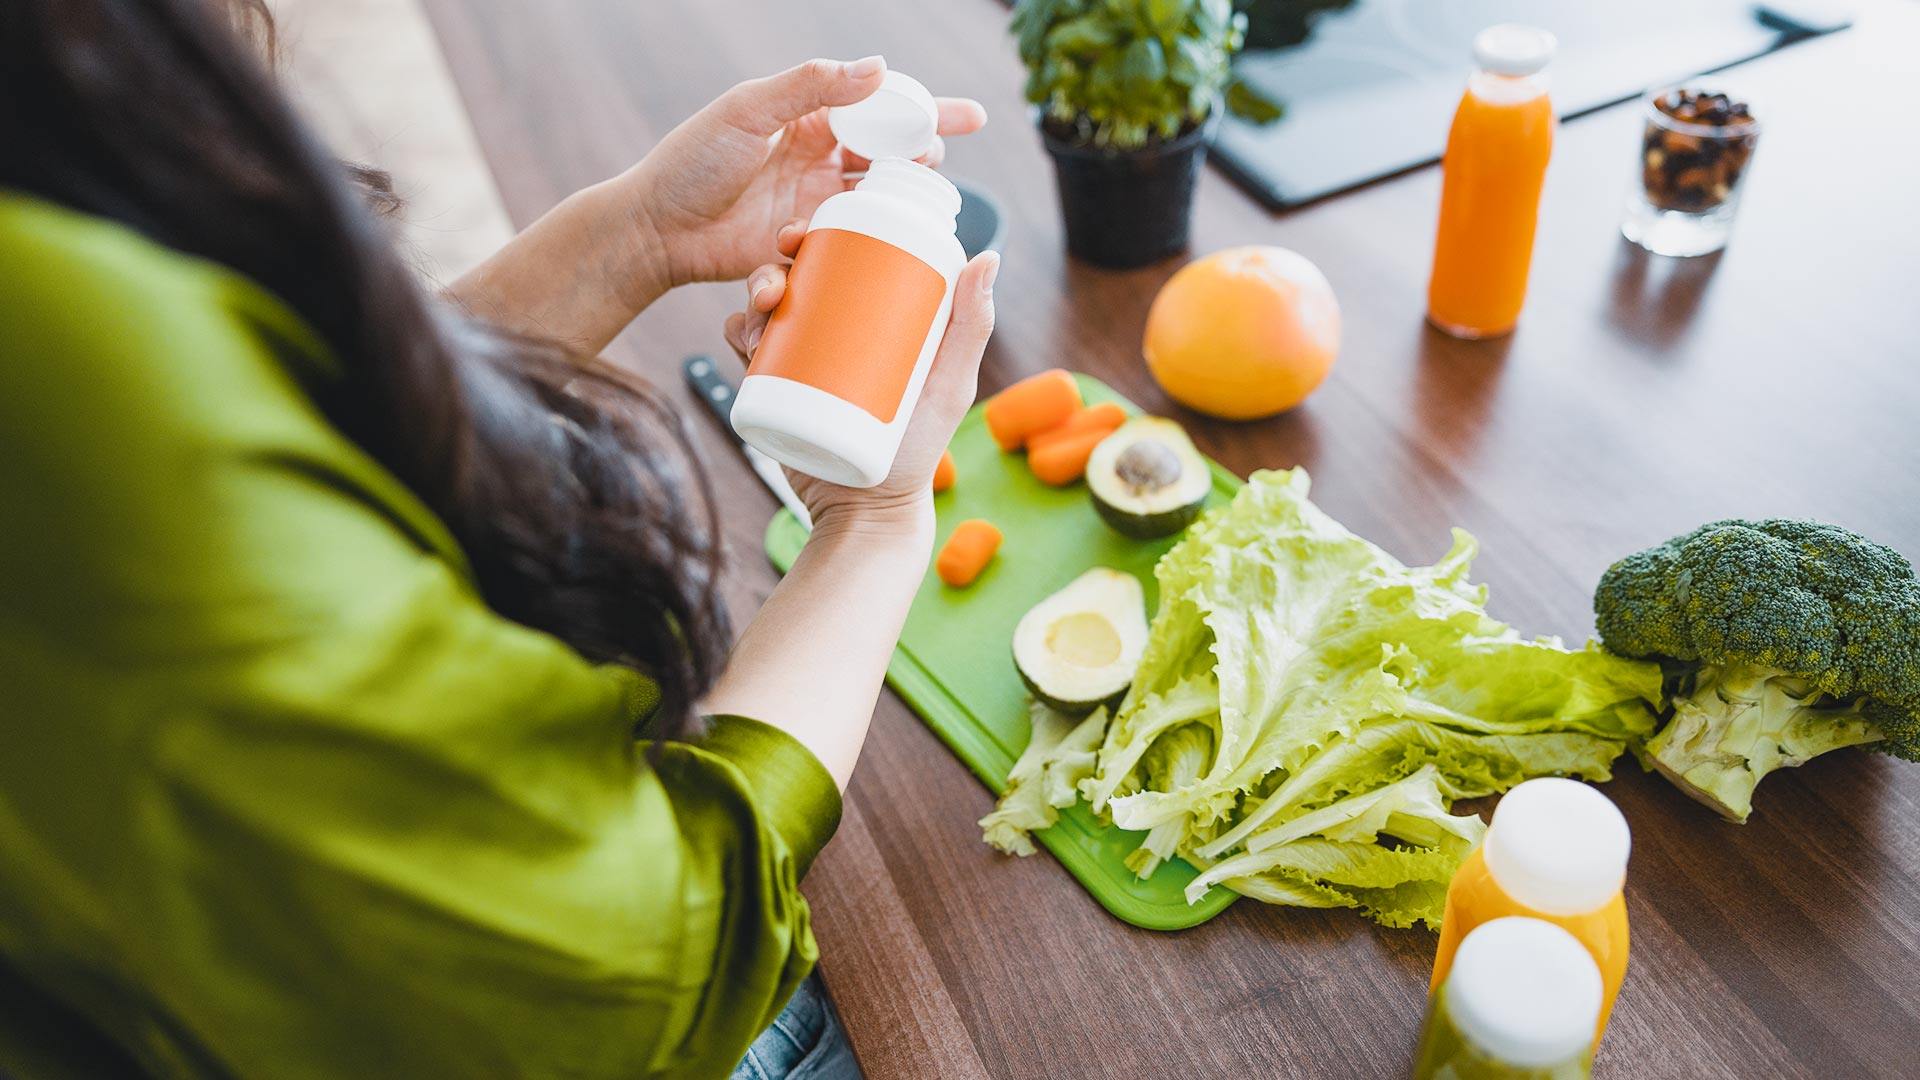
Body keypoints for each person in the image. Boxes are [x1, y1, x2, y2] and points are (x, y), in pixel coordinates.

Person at [0, 1, 996, 1077]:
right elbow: (650, 971)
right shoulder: (61, 360)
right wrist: (874, 525)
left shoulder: (62, 228)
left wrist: (642, 234)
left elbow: (296, 438)